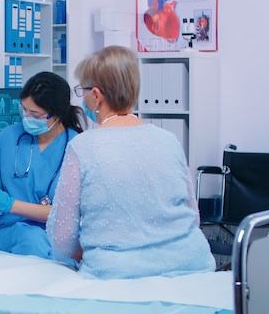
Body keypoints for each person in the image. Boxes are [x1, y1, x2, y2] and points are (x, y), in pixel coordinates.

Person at [46, 45, 215, 279]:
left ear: (96, 95)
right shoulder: (168, 139)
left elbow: (62, 240)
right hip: (193, 268)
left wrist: (82, 252)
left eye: (82, 90)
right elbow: (192, 217)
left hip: (117, 275)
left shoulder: (83, 146)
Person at [0, 72, 84, 260]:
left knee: (46, 244)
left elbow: (68, 213)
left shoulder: (78, 148)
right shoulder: (8, 137)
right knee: (33, 240)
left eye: (35, 114)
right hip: (9, 229)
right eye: (24, 110)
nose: (27, 118)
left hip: (61, 232)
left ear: (57, 115)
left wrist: (10, 204)